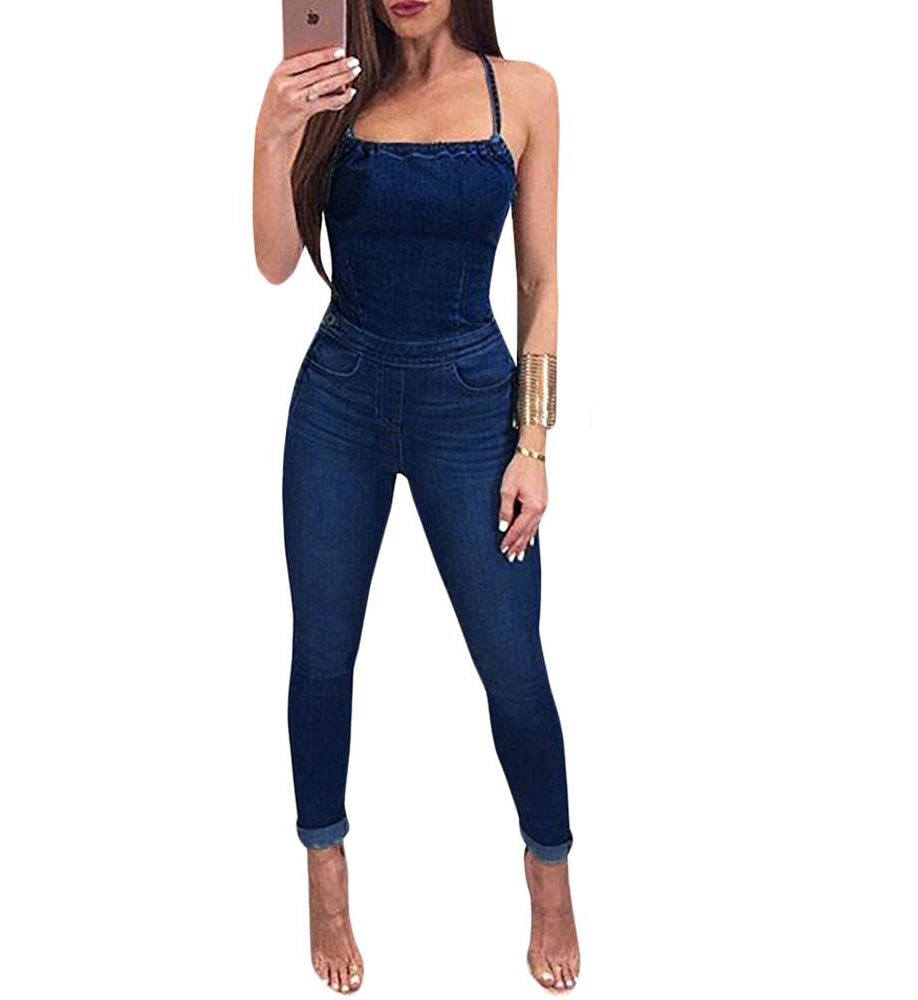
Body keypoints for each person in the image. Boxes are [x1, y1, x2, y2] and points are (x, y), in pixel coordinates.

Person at [253, 0, 577, 992]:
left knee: (513, 664)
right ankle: (325, 866)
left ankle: (550, 870)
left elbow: (539, 282)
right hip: (339, 398)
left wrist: (533, 442)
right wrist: (273, 131)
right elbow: (275, 262)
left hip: (471, 406)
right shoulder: (334, 93)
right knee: (322, 654)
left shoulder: (524, 93)